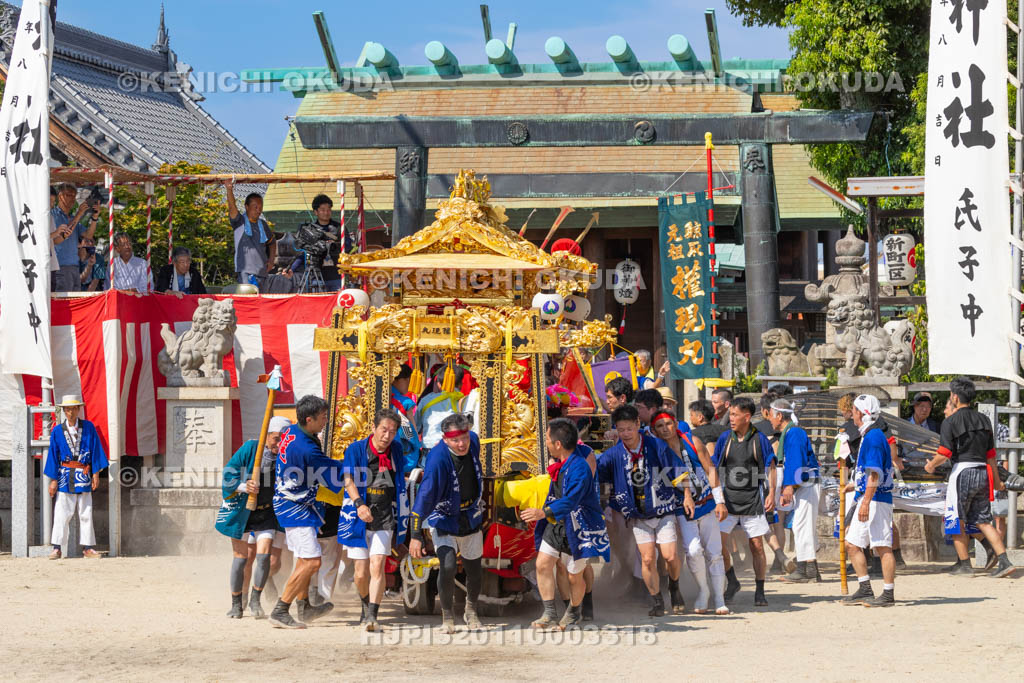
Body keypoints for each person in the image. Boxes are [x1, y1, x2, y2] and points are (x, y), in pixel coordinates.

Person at [597, 404, 686, 616]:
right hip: (637, 515)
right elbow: (598, 478)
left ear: (638, 424)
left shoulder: (657, 446)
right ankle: (656, 601)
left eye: (629, 428)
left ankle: (674, 587)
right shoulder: (613, 455)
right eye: (620, 429)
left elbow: (678, 470)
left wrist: (688, 496)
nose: (625, 434)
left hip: (663, 509)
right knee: (647, 559)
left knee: (670, 556)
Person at [925, 378, 1017, 578]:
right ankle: (1004, 561)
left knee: (955, 518)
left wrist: (930, 465)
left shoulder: (950, 422)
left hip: (962, 472)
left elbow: (945, 452)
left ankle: (965, 564)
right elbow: (991, 455)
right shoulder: (984, 420)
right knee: (984, 520)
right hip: (982, 471)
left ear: (955, 397)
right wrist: (997, 481)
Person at [522, 419, 609, 629]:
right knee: (542, 564)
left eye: (548, 439)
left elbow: (571, 500)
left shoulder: (579, 468)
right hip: (557, 522)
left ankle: (573, 611)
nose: (547, 444)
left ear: (558, 444)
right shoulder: (561, 464)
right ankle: (549, 613)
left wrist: (542, 512)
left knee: (573, 575)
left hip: (578, 526)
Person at [269, 395, 343, 628]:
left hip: (292, 501)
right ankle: (281, 609)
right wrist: (356, 464)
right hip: (295, 507)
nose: (325, 422)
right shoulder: (306, 448)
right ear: (308, 419)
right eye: (322, 418)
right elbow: (331, 472)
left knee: (304, 559)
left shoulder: (293, 431)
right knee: (311, 562)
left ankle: (304, 607)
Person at [409, 413, 486, 632]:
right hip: (443, 515)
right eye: (455, 440)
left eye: (464, 438)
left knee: (474, 570)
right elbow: (424, 498)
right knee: (449, 565)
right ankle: (448, 616)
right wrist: (415, 536)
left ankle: (471, 610)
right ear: (445, 439)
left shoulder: (474, 441)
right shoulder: (437, 460)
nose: (462, 444)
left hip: (471, 512)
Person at [651, 411, 729, 615]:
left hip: (707, 502)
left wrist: (720, 500)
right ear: (654, 430)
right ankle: (703, 591)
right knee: (693, 551)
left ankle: (719, 598)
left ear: (675, 423)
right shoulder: (656, 449)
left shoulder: (692, 441)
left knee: (714, 553)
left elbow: (710, 469)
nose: (665, 429)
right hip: (680, 508)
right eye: (659, 426)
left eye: (668, 423)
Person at [339, 409, 408, 631]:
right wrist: (359, 505)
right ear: (373, 428)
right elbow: (348, 479)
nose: (387, 436)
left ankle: (372, 615)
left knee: (377, 565)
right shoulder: (356, 449)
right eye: (384, 430)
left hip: (385, 514)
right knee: (361, 573)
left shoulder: (396, 449)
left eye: (393, 431)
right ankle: (364, 604)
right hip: (359, 513)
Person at [215, 416, 291, 618]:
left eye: (283, 440)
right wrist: (243, 486)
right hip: (243, 511)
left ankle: (256, 600)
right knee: (241, 559)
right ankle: (236, 602)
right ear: (266, 436)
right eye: (276, 439)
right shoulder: (250, 448)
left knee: (265, 557)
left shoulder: (286, 456)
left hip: (267, 513)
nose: (278, 444)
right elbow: (227, 475)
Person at [712, 397, 776, 606]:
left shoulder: (760, 440)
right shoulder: (725, 439)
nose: (730, 418)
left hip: (752, 499)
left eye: (734, 415)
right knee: (718, 545)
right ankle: (732, 581)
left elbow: (772, 467)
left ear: (747, 417)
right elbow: (713, 468)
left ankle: (760, 590)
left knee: (756, 545)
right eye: (730, 414)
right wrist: (716, 497)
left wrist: (772, 492)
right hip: (728, 500)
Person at [842, 394, 897, 607]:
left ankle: (888, 593)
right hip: (869, 496)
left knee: (882, 546)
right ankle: (865, 588)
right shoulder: (870, 435)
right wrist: (856, 485)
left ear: (862, 413)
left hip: (875, 499)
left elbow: (875, 473)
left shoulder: (873, 437)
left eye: (855, 411)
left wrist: (865, 501)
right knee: (852, 544)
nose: (852, 414)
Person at [44, 395, 109, 559]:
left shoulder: (88, 427)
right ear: (63, 411)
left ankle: (88, 548)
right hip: (65, 475)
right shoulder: (58, 431)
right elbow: (53, 455)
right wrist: (53, 480)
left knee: (86, 511)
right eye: (67, 409)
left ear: (78, 409)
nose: (70, 412)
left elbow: (95, 450)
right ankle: (57, 548)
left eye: (73, 408)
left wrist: (96, 474)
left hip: (84, 474)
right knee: (61, 512)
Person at [770, 399, 822, 583]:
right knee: (804, 525)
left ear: (779, 415)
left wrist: (789, 486)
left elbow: (795, 461)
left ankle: (803, 569)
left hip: (806, 483)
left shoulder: (794, 433)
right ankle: (812, 569)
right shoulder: (791, 432)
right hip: (804, 484)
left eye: (771, 414)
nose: (770, 419)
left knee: (802, 525)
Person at [225, 181, 277, 289]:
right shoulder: (240, 222)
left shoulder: (263, 224)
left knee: (262, 303)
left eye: (260, 207)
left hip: (262, 272)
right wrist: (229, 189)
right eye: (255, 207)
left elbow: (272, 242)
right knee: (249, 302)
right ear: (247, 207)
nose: (258, 210)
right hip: (246, 272)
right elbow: (232, 208)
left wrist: (271, 261)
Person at [51, 184, 99, 292]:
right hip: (60, 266)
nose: (72, 199)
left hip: (75, 267)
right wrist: (79, 214)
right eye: (68, 195)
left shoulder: (73, 218)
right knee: (64, 304)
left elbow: (88, 235)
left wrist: (94, 218)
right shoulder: (53, 215)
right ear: (60, 196)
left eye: (74, 196)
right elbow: (66, 233)